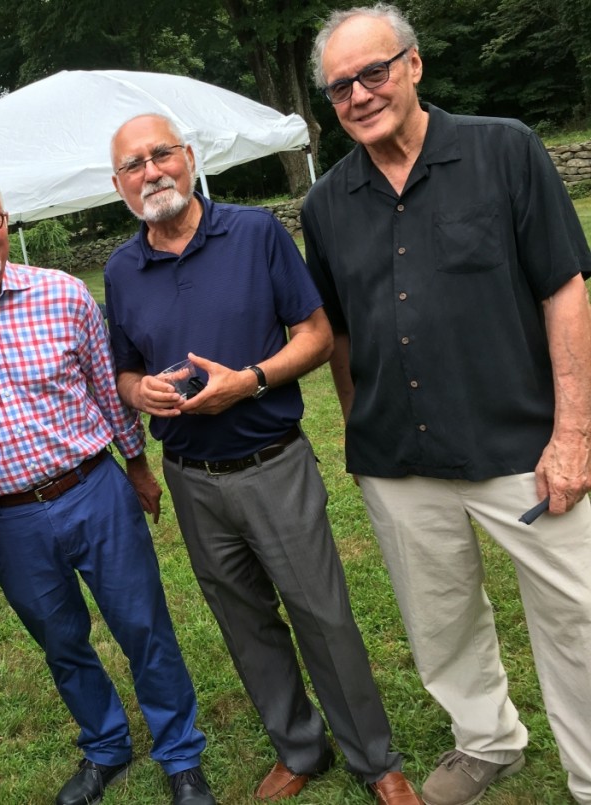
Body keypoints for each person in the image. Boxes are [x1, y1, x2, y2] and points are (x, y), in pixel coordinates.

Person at [303, 5, 591, 805]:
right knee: (440, 622)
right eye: (340, 87)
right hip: (399, 458)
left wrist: (574, 432)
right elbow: (339, 334)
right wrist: (359, 422)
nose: (359, 95)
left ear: (414, 65)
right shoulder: (327, 205)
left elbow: (566, 290)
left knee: (580, 615)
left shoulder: (504, 149)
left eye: (374, 72)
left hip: (523, 443)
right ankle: (487, 739)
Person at [103, 113, 422, 805]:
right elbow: (122, 373)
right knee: (244, 621)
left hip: (272, 461)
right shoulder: (122, 269)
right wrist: (141, 390)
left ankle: (375, 759)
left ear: (188, 158)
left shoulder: (253, 233)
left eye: (162, 154)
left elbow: (315, 334)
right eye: (134, 164)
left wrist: (247, 381)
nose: (151, 170)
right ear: (118, 183)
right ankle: (299, 746)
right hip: (193, 478)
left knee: (323, 615)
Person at [0, 166, 215, 805]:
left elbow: (108, 388)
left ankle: (180, 756)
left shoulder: (64, 295)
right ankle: (105, 747)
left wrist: (138, 467)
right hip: (9, 518)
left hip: (94, 491)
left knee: (143, 625)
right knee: (62, 642)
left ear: (7, 223)